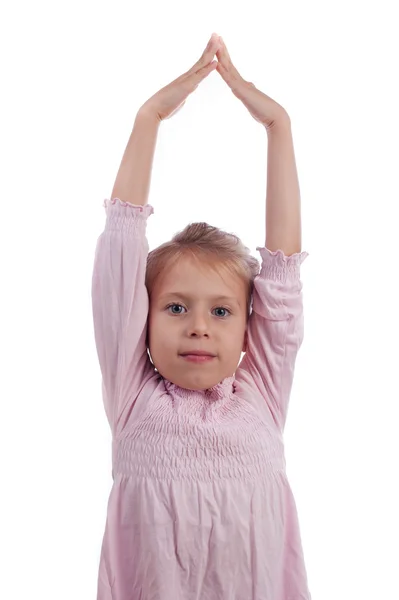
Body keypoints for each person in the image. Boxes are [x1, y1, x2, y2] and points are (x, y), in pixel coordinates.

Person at [91, 33, 311, 600]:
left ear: (249, 327)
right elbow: (120, 254)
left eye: (220, 311)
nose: (198, 326)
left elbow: (282, 274)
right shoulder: (134, 397)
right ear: (141, 320)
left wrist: (278, 127)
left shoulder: (260, 394)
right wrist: (149, 118)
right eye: (175, 307)